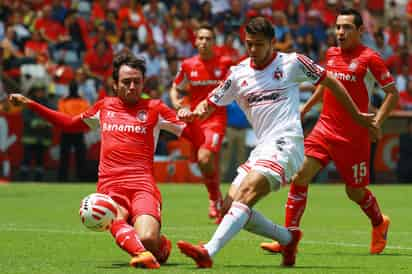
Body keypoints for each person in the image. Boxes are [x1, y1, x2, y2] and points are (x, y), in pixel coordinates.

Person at [176, 16, 375, 268]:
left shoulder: (292, 62)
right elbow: (210, 103)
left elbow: (330, 82)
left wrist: (357, 115)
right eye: (248, 44)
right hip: (261, 149)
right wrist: (193, 112)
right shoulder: (238, 74)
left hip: (287, 144)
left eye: (258, 44)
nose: (253, 50)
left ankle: (208, 252)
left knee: (246, 194)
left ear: (272, 43)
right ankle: (288, 238)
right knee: (229, 208)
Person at [8, 51, 202, 269]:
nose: (132, 87)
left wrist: (191, 118)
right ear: (115, 84)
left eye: (137, 82)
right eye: (126, 82)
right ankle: (142, 255)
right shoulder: (104, 107)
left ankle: (158, 246)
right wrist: (32, 104)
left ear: (143, 83)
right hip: (110, 188)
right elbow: (70, 124)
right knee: (108, 214)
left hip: (142, 186)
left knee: (148, 239)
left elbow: (196, 138)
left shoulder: (155, 109)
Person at [260, 8, 399, 256]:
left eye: (346, 27)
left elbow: (392, 93)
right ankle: (288, 238)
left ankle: (379, 223)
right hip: (324, 128)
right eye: (337, 27)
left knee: (354, 191)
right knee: (300, 175)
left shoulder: (370, 58)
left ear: (360, 31)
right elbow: (326, 86)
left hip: (354, 136)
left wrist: (376, 122)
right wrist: (306, 109)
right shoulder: (331, 53)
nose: (340, 32)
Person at [170, 23, 232, 221]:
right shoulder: (188, 65)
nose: (204, 42)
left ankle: (214, 199)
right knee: (205, 163)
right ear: (195, 41)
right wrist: (178, 105)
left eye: (209, 38)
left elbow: (232, 88)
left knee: (205, 158)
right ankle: (218, 199)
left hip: (215, 119)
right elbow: (175, 87)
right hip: (194, 121)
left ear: (215, 42)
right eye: (201, 38)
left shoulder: (224, 63)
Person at [56, 81, 90, 182]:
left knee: (64, 156)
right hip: (78, 131)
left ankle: (62, 178)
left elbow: (61, 114)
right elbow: (85, 115)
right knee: (80, 156)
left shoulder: (63, 101)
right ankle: (82, 178)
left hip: (66, 131)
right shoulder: (83, 101)